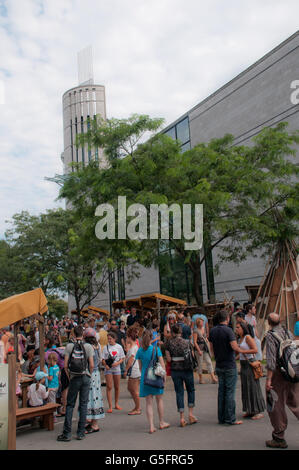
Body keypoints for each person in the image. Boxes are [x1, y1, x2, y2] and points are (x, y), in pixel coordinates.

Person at [264, 313, 299, 448]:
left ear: (268, 322)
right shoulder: (287, 332)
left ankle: (279, 437)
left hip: (279, 374)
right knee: (295, 401)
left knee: (275, 403)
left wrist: (268, 380)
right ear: (280, 321)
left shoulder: (271, 336)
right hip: (292, 372)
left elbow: (271, 361)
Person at [57, 325, 94, 442]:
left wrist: (69, 376)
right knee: (83, 404)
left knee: (70, 404)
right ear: (83, 335)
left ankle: (67, 433)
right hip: (85, 377)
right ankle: (81, 432)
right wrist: (89, 374)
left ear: (73, 334)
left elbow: (66, 365)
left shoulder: (69, 346)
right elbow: (92, 364)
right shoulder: (88, 346)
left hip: (74, 377)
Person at [209, 309, 243, 425]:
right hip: (229, 363)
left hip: (219, 363)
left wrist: (215, 355)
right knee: (230, 392)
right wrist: (244, 350)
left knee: (221, 391)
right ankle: (230, 418)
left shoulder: (212, 331)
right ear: (227, 319)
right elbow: (234, 347)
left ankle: (222, 417)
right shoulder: (229, 331)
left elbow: (211, 347)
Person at [136, 330, 170, 434]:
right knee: (159, 401)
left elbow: (140, 367)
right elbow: (162, 364)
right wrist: (164, 377)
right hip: (156, 377)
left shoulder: (140, 351)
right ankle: (161, 422)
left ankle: (151, 426)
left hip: (145, 379)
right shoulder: (156, 349)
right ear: (151, 338)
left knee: (148, 403)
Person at [165, 324, 197, 427]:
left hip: (175, 370)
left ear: (172, 333)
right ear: (180, 332)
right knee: (190, 390)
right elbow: (192, 355)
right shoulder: (187, 342)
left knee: (179, 392)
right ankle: (191, 414)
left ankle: (182, 417)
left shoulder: (168, 344)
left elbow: (169, 359)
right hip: (187, 369)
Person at [235, 320, 265, 420]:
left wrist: (242, 351)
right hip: (243, 364)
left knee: (253, 386)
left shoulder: (247, 337)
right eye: (236, 327)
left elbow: (255, 350)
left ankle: (257, 410)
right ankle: (249, 409)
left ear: (243, 328)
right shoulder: (240, 338)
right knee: (246, 386)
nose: (236, 329)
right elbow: (241, 352)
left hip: (250, 363)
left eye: (238, 327)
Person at [84, 328, 105, 434]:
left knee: (91, 396)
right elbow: (100, 359)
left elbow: (91, 364)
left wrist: (88, 372)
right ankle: (93, 421)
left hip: (91, 373)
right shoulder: (97, 345)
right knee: (95, 396)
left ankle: (94, 424)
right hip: (96, 374)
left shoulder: (88, 347)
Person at [102, 331, 125, 413]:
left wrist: (117, 363)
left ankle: (116, 404)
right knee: (109, 386)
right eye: (108, 339)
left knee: (117, 387)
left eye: (110, 339)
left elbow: (122, 358)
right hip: (108, 369)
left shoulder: (119, 347)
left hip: (117, 368)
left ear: (114, 339)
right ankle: (110, 406)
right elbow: (103, 359)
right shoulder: (105, 347)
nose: (109, 340)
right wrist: (106, 365)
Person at [123, 326, 141, 415]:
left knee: (134, 390)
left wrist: (125, 370)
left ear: (130, 337)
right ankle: (137, 406)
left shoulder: (134, 347)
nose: (126, 338)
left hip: (134, 370)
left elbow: (131, 360)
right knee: (130, 388)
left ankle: (138, 408)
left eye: (127, 337)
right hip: (133, 370)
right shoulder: (133, 346)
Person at [193, 318, 217, 384]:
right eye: (201, 322)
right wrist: (198, 350)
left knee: (209, 362)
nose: (203, 323)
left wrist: (208, 344)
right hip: (199, 349)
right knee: (200, 364)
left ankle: (213, 377)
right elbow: (195, 342)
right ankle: (201, 379)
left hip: (205, 348)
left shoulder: (203, 328)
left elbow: (205, 337)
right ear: (198, 323)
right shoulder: (195, 331)